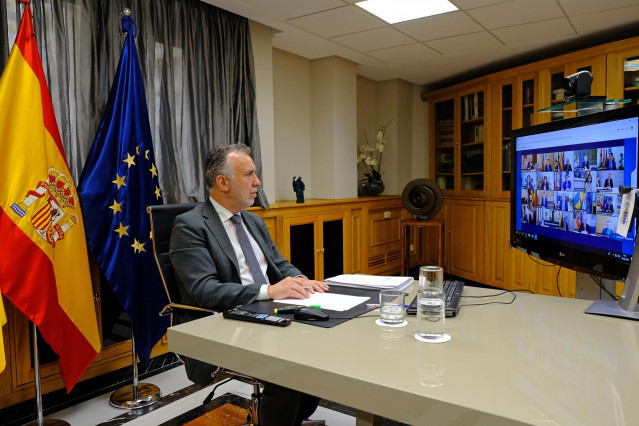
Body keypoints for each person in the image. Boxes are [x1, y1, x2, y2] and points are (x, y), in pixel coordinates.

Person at [170, 144, 328, 425]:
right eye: (250, 174)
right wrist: (268, 290)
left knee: (322, 348)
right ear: (223, 182)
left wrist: (301, 281)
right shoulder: (191, 225)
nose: (258, 182)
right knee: (289, 369)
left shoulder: (253, 222)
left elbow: (280, 265)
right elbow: (205, 290)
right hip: (228, 322)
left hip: (273, 312)